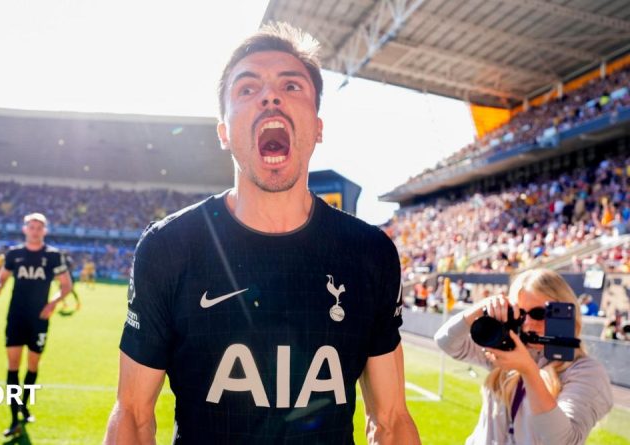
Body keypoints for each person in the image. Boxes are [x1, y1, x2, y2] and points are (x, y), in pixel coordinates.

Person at [105, 23, 419, 444]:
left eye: (292, 86)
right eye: (247, 89)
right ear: (223, 132)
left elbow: (392, 420)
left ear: (318, 127)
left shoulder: (370, 252)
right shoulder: (169, 246)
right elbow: (134, 415)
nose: (271, 96)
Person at [434, 269, 613, 444]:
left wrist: (528, 371)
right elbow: (446, 342)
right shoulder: (506, 349)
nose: (527, 323)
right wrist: (480, 308)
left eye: (538, 314)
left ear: (565, 314)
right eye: (520, 313)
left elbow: (563, 441)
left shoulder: (586, 371)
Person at [0, 212, 72, 437]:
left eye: (39, 227)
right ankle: (13, 418)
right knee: (13, 366)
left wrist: (53, 303)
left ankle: (24, 405)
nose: (35, 230)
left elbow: (66, 285)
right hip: (16, 316)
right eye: (31, 226)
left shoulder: (54, 256)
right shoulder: (14, 254)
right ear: (25, 229)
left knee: (33, 366)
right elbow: (2, 276)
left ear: (44, 231)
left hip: (39, 319)